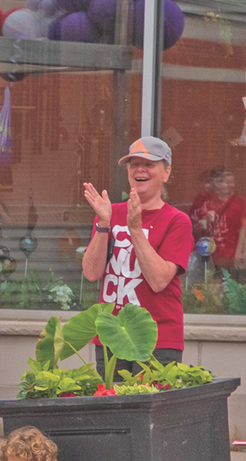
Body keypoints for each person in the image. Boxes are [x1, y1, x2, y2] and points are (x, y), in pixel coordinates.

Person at [82, 137, 194, 370]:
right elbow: (92, 273)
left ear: (166, 172)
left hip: (157, 339)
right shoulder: (108, 213)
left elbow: (159, 280)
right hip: (112, 334)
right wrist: (103, 224)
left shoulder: (177, 221)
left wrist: (135, 229)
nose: (140, 169)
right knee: (113, 406)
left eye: (149, 164)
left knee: (149, 406)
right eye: (134, 164)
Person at [192, 168, 244, 274]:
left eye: (231, 182)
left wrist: (239, 251)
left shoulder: (239, 203)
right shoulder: (209, 203)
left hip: (231, 252)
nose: (229, 185)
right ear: (218, 185)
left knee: (231, 282)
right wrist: (200, 225)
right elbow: (198, 224)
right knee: (213, 280)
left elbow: (243, 228)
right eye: (226, 182)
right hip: (212, 252)